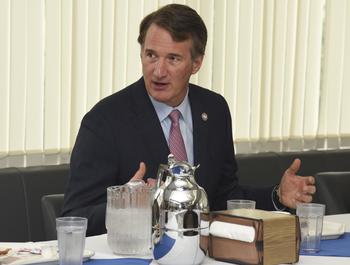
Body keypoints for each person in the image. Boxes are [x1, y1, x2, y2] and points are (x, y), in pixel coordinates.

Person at [62, 4, 316, 236]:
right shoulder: (105, 121)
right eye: (151, 55)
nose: (158, 71)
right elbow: (75, 216)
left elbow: (222, 198)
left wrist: (277, 197)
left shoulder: (214, 110)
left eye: (173, 59)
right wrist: (126, 205)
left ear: (196, 63)